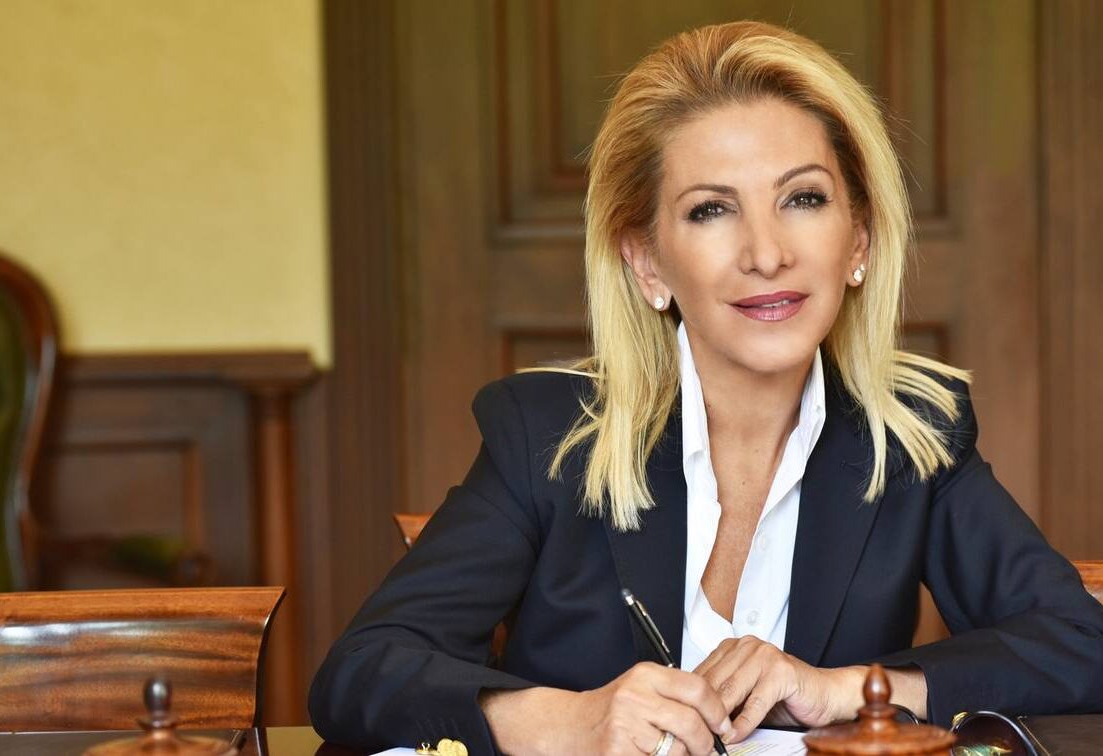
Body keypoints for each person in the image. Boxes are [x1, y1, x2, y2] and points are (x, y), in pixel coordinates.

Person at [309, 21, 1103, 756]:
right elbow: (359, 675)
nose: (766, 253)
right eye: (711, 210)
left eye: (803, 198)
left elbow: (1082, 644)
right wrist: (568, 721)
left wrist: (849, 693)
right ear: (647, 260)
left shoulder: (910, 436)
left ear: (858, 237)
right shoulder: (547, 434)